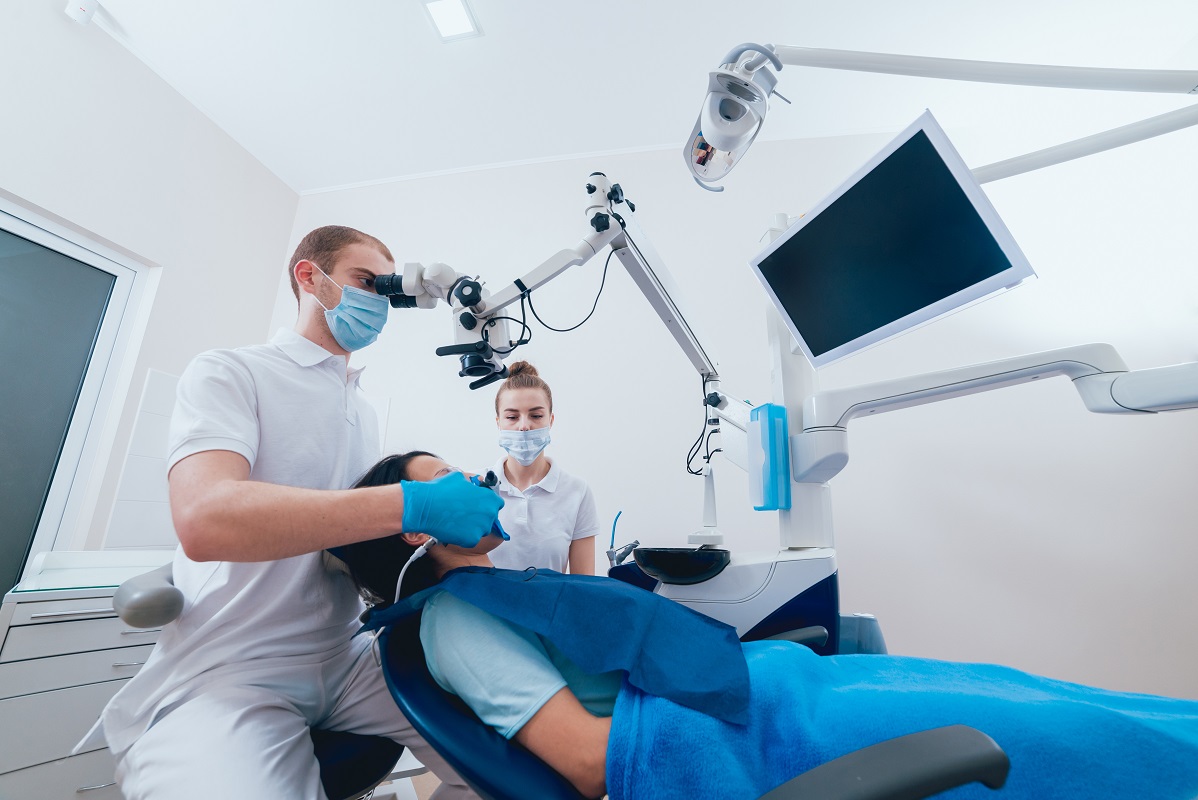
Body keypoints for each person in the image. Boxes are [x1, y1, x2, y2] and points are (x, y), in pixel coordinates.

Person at [340, 451, 1198, 800]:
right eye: (450, 478)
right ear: (419, 522)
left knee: (1030, 693)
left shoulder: (496, 592)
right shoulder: (454, 623)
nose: (479, 479)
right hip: (753, 731)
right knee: (1057, 734)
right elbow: (589, 762)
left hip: (774, 695)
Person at [86, 227, 503, 800]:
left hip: (349, 653)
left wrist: (443, 537)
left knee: (518, 765)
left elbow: (348, 540)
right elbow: (206, 518)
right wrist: (412, 501)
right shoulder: (232, 372)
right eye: (366, 282)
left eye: (388, 291)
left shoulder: (360, 409)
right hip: (235, 664)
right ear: (310, 276)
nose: (378, 302)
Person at [488, 360, 598, 574]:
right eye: (512, 417)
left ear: (551, 420)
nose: (524, 426)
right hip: (482, 608)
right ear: (498, 422)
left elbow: (583, 584)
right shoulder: (477, 487)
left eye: (536, 415)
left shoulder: (577, 492)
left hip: (549, 607)